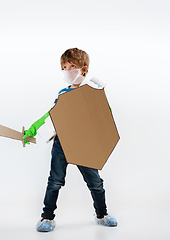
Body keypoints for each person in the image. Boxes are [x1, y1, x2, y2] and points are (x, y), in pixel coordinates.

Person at [23, 48, 117, 232]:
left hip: (84, 143)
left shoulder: (92, 92)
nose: (68, 70)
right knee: (55, 181)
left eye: (72, 66)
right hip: (62, 143)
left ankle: (102, 214)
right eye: (64, 67)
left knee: (95, 182)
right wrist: (33, 129)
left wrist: (97, 99)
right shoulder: (63, 94)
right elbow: (50, 116)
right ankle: (47, 217)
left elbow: (106, 115)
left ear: (84, 68)